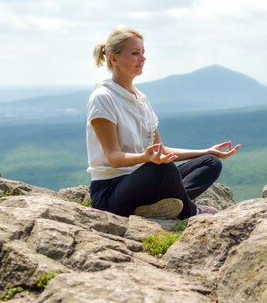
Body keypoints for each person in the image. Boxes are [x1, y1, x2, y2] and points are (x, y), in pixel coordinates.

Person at [86, 27, 240, 219]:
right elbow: (114, 157)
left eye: (143, 52)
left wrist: (207, 150)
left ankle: (156, 207)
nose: (142, 58)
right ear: (113, 59)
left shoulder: (141, 99)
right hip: (110, 192)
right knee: (163, 169)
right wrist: (146, 157)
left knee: (210, 163)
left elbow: (161, 151)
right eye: (135, 53)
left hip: (142, 181)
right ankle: (189, 210)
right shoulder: (103, 98)